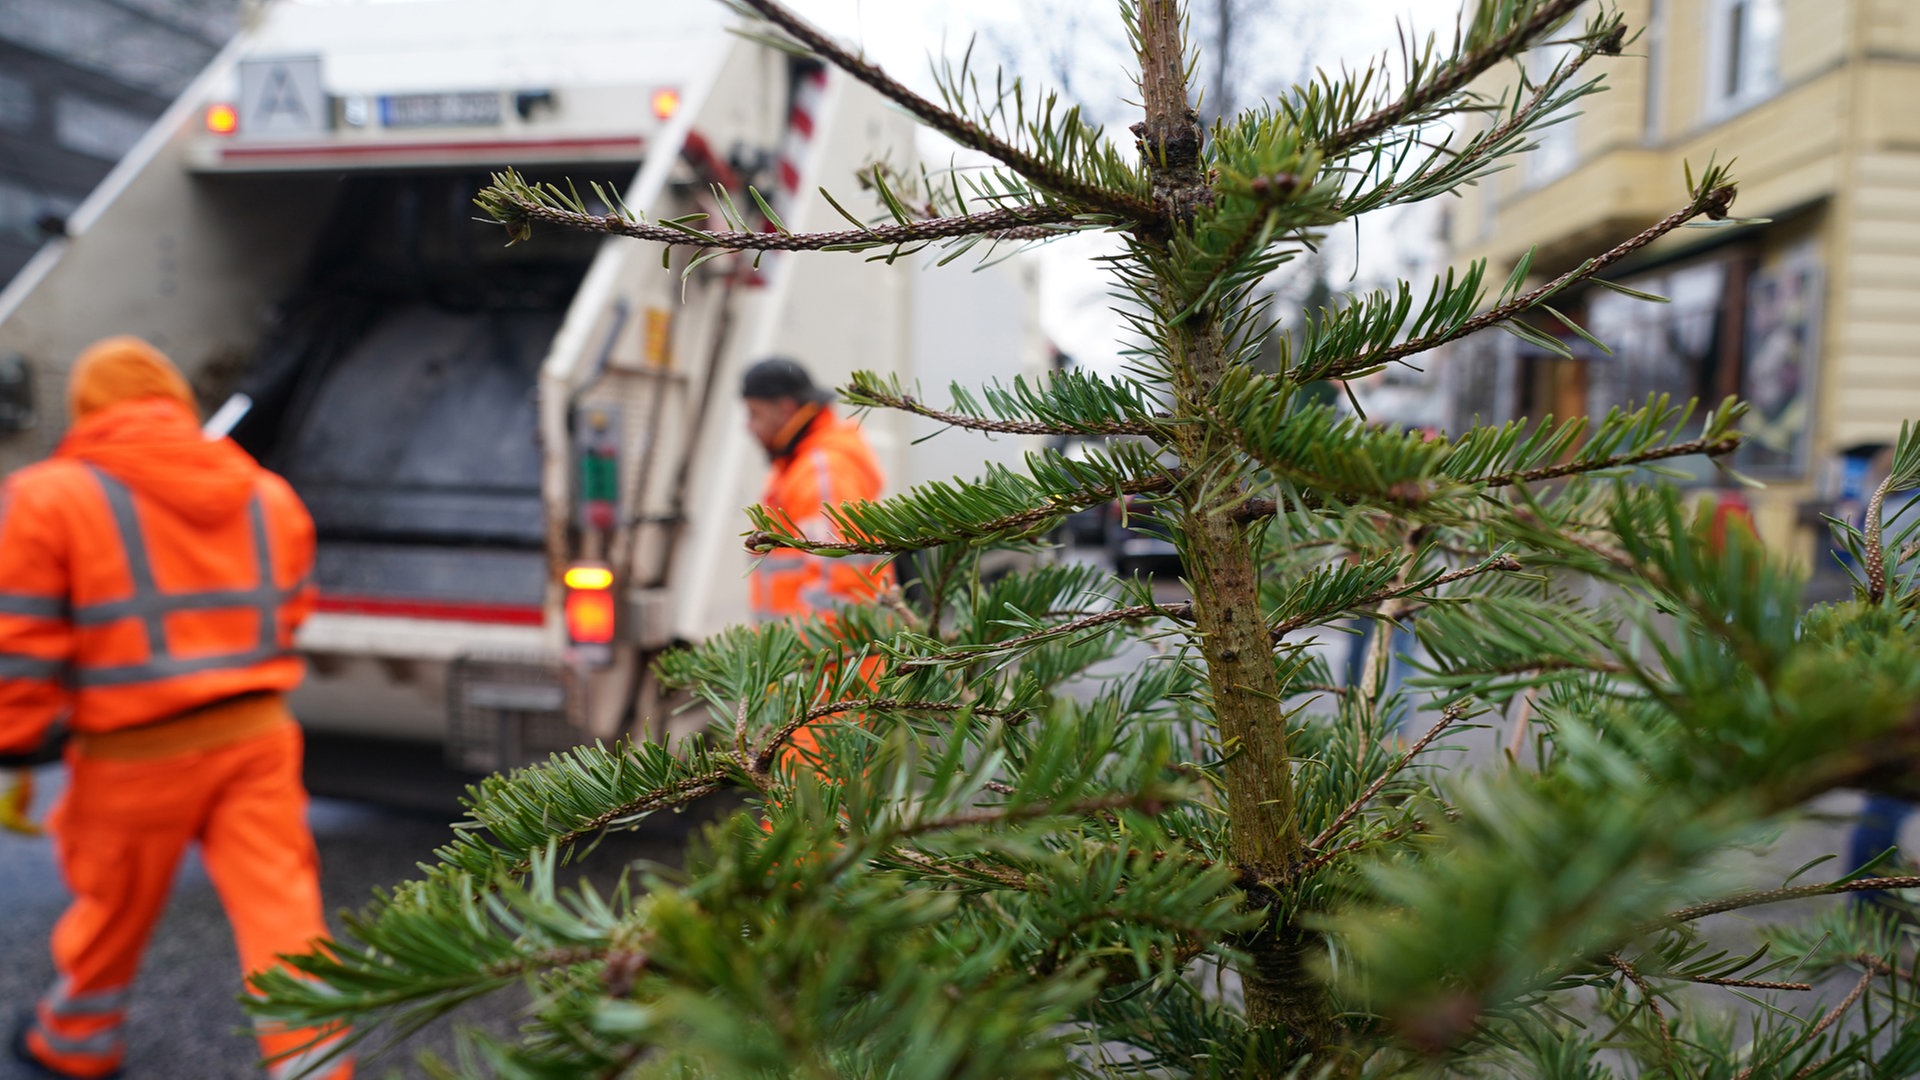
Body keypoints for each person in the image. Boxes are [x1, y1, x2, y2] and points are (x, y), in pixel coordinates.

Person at [0, 337, 350, 1079]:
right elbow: (290, 608)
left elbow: (19, 643)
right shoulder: (266, 493)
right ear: (175, 402)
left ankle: (73, 1044)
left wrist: (17, 743)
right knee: (284, 913)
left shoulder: (49, 497)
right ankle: (317, 1065)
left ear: (88, 408)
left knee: (113, 909)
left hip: (132, 753)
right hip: (257, 735)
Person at [741, 357, 891, 623]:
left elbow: (836, 583)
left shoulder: (822, 470)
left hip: (832, 661)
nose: (749, 426)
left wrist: (798, 657)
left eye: (755, 414)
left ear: (785, 409)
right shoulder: (800, 464)